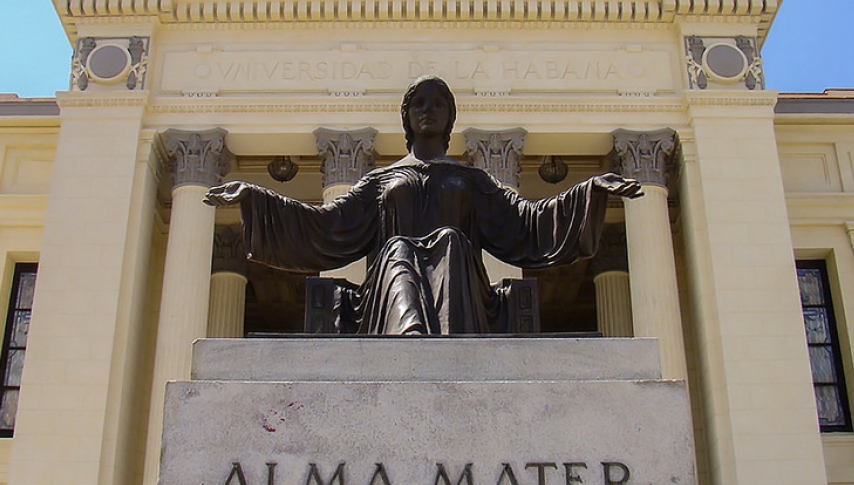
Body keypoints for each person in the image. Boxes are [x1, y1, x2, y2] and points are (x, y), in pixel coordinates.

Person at [205, 76, 643, 335]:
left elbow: (524, 222)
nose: (428, 110)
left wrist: (590, 191)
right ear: (407, 117)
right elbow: (326, 226)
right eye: (419, 104)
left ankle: (440, 344)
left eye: (437, 104)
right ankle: (410, 337)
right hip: (385, 296)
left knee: (451, 240)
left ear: (450, 118)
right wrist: (257, 198)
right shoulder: (382, 181)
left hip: (465, 297)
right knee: (397, 251)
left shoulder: (471, 180)